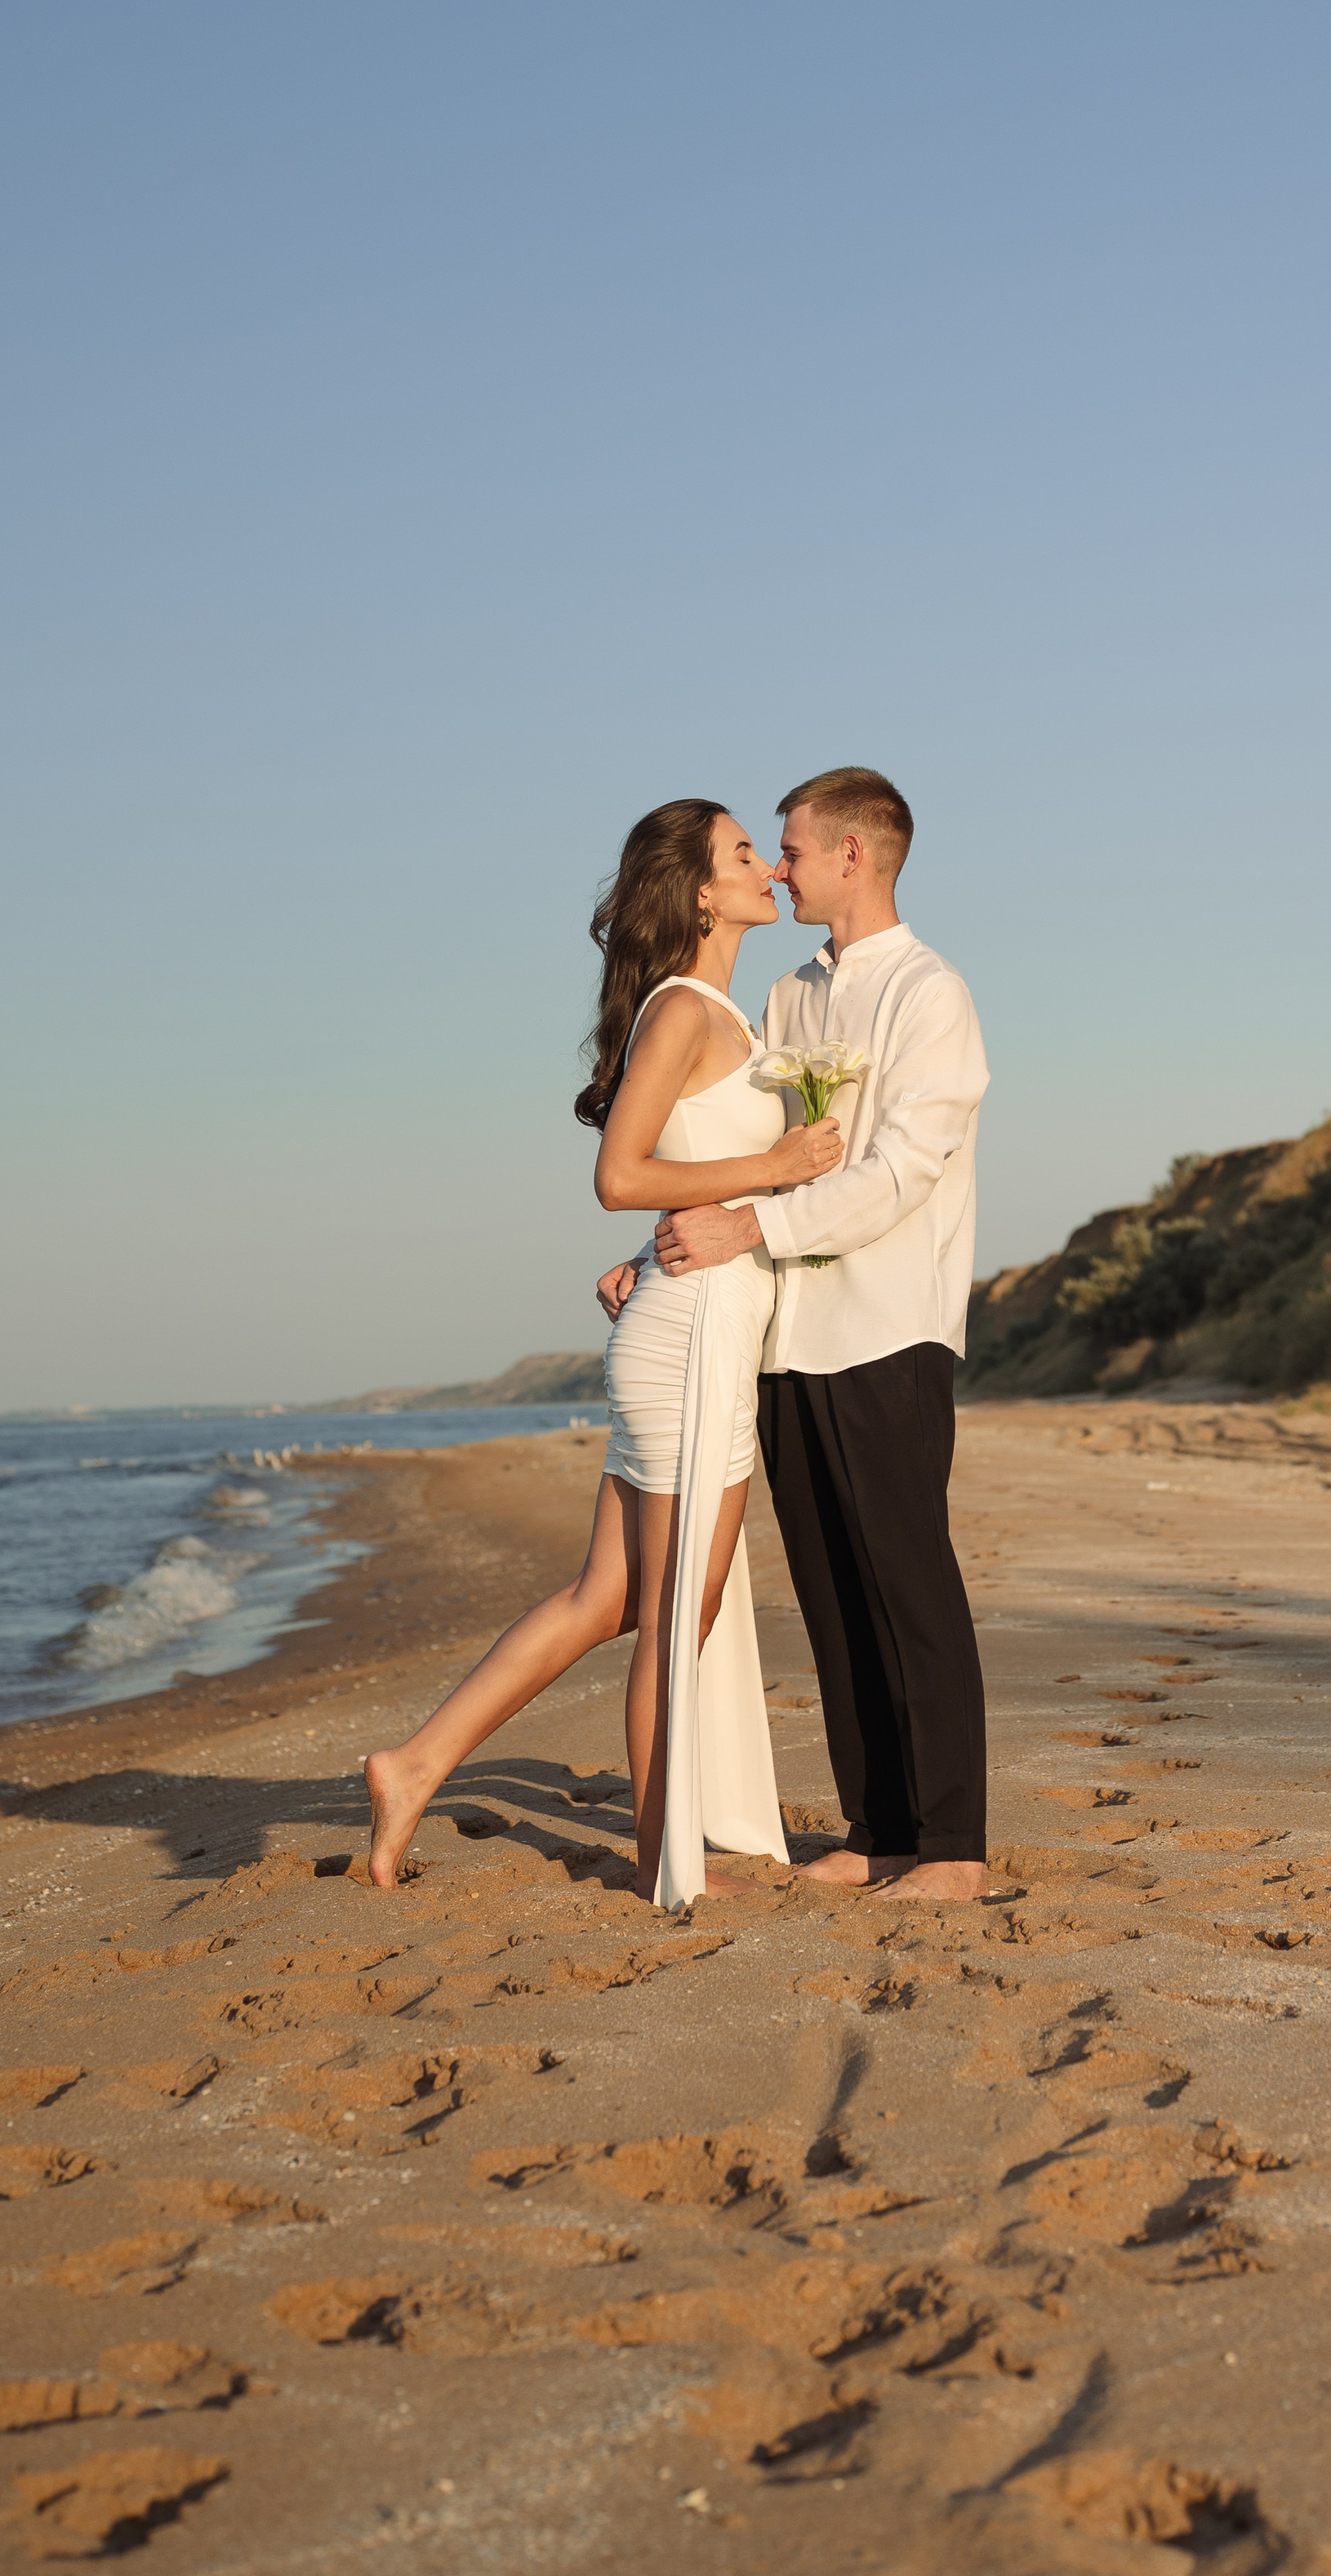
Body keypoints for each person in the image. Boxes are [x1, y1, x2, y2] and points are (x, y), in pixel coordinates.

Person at [361, 800, 844, 1905]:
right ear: (698, 892)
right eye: (739, 856)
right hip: (690, 1342)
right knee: (680, 1609)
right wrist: (774, 1168)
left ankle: (416, 1764)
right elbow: (621, 1174)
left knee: (606, 1598)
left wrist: (650, 1252)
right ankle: (660, 1859)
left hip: (683, 1321)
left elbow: (679, 1169)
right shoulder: (686, 1011)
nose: (767, 867)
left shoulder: (716, 1010)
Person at [648, 766, 992, 1901]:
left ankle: (952, 1845)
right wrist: (677, 1233)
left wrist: (751, 1224)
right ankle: (879, 1827)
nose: (780, 869)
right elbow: (735, 1135)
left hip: (891, 1324)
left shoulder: (929, 993)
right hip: (785, 1335)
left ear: (855, 854)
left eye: (792, 850)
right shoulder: (791, 994)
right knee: (831, 1590)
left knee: (909, 1583)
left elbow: (899, 1173)